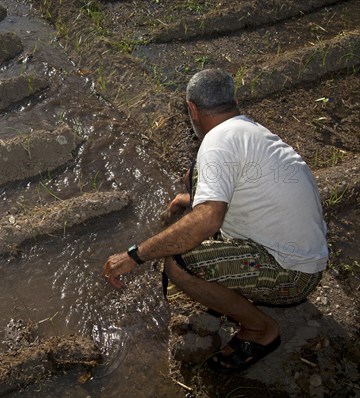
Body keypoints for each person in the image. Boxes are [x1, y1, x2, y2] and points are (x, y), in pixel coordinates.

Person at [102, 68, 328, 374]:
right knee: (194, 178)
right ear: (233, 100)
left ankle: (260, 330)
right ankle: (230, 289)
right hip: (306, 254)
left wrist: (135, 254)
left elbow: (207, 220)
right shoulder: (247, 130)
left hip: (292, 276)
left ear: (192, 109)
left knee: (179, 260)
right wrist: (190, 199)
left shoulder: (216, 143)